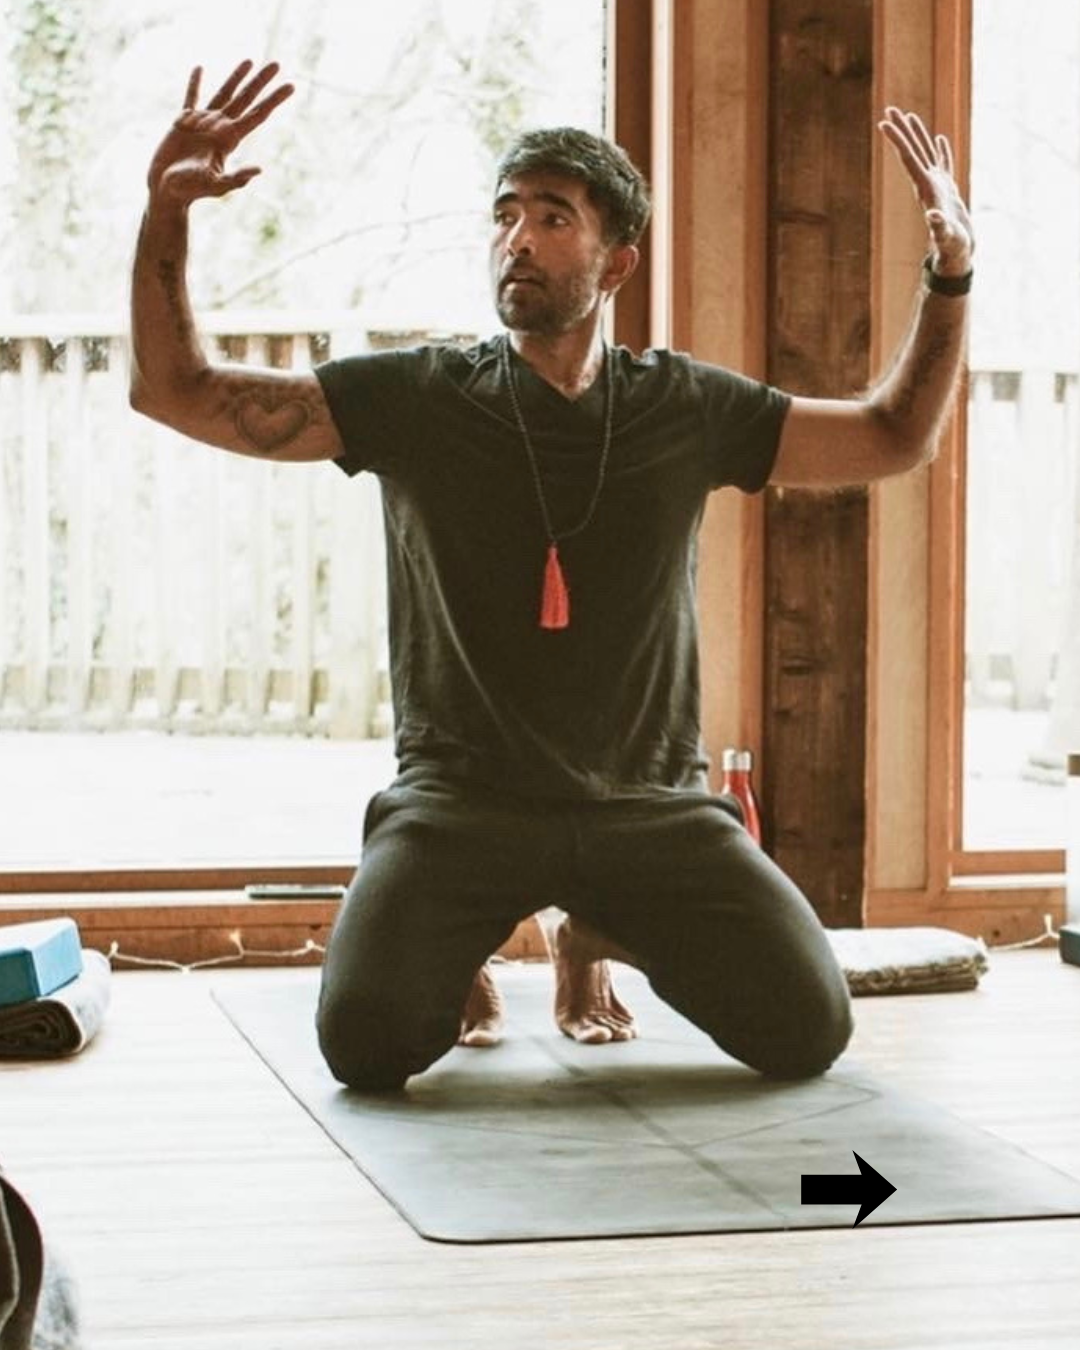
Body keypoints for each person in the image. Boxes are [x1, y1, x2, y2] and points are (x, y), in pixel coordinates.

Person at [130, 60, 973, 1090]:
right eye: (504, 214)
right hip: (462, 806)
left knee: (807, 1031)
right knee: (367, 1046)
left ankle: (598, 930)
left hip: (648, 805)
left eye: (552, 217)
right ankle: (469, 940)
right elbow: (176, 390)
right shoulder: (419, 396)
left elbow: (893, 436)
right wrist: (165, 214)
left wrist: (951, 275)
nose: (517, 239)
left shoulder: (684, 406)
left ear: (617, 264)